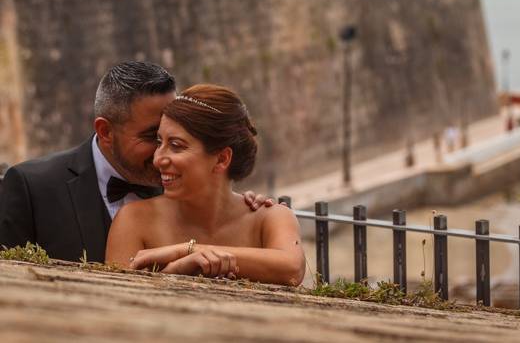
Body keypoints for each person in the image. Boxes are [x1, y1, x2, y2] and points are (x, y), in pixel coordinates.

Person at [0, 61, 272, 263]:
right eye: (153, 136)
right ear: (106, 132)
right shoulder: (32, 187)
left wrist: (239, 204)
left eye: (173, 137)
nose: (161, 155)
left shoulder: (180, 180)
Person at [106, 84, 305, 285]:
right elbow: (117, 298)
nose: (158, 159)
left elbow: (292, 270)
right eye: (159, 142)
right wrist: (178, 269)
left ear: (221, 159)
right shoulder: (134, 219)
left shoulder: (269, 217)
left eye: (176, 146)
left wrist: (189, 249)